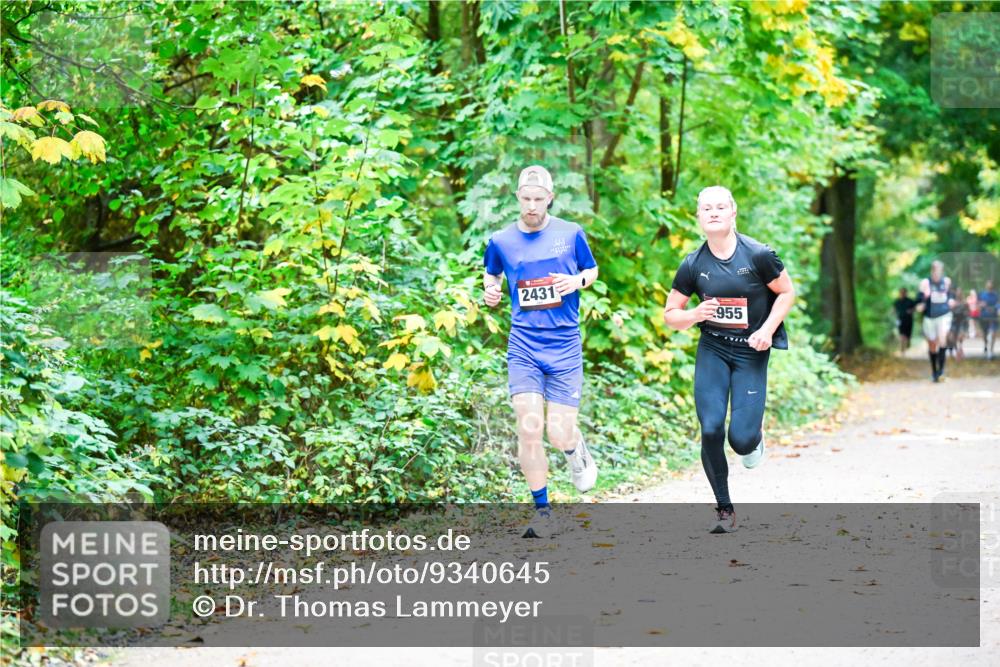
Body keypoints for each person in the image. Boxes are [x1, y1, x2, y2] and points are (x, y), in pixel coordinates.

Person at [663, 186, 795, 534]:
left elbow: (786, 292)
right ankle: (724, 508)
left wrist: (767, 329)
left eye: (720, 207)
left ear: (733, 212)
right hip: (714, 349)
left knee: (740, 440)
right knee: (710, 428)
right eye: (706, 208)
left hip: (751, 350)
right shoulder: (693, 264)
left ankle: (754, 437)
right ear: (699, 217)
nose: (713, 212)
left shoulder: (759, 255)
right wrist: (694, 314)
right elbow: (671, 314)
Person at [483, 165, 599, 538]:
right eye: (526, 198)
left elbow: (592, 270)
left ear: (550, 198)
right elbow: (491, 273)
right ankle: (543, 511)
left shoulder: (571, 233)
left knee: (558, 433)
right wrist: (490, 291)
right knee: (528, 425)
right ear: (517, 197)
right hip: (524, 345)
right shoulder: (501, 240)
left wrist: (576, 281)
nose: (532, 206)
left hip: (564, 344)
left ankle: (575, 449)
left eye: (538, 199)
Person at [916, 260, 955, 382]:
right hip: (929, 317)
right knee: (932, 344)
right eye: (935, 270)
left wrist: (951, 301)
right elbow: (919, 300)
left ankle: (941, 371)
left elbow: (951, 296)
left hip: (944, 314)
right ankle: (934, 372)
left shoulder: (947, 282)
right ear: (932, 271)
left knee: (942, 339)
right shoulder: (925, 283)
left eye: (939, 271)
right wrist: (922, 302)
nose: (937, 273)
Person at [892, 287, 917, 354]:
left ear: (906, 293)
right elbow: (893, 309)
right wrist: (893, 313)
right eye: (901, 292)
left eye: (903, 292)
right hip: (900, 320)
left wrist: (911, 311)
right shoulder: (897, 301)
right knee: (901, 334)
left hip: (908, 320)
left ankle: (907, 343)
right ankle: (902, 349)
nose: (902, 294)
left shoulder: (910, 301)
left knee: (907, 335)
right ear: (899, 293)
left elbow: (915, 308)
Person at [947, 287, 969, 361]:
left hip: (962, 322)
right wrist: (952, 308)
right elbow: (949, 312)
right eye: (957, 292)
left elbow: (967, 313)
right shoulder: (952, 302)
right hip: (954, 321)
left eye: (960, 292)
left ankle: (959, 351)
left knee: (960, 337)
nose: (958, 293)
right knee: (951, 337)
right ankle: (956, 351)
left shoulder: (965, 303)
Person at [978, 279, 998, 360]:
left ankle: (991, 351)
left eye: (990, 284)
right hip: (984, 317)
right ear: (986, 285)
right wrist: (981, 305)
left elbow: (998, 304)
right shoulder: (982, 294)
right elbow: (978, 304)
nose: (989, 286)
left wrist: (996, 308)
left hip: (993, 317)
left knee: (993, 333)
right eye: (988, 284)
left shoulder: (996, 295)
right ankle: (986, 345)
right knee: (984, 334)